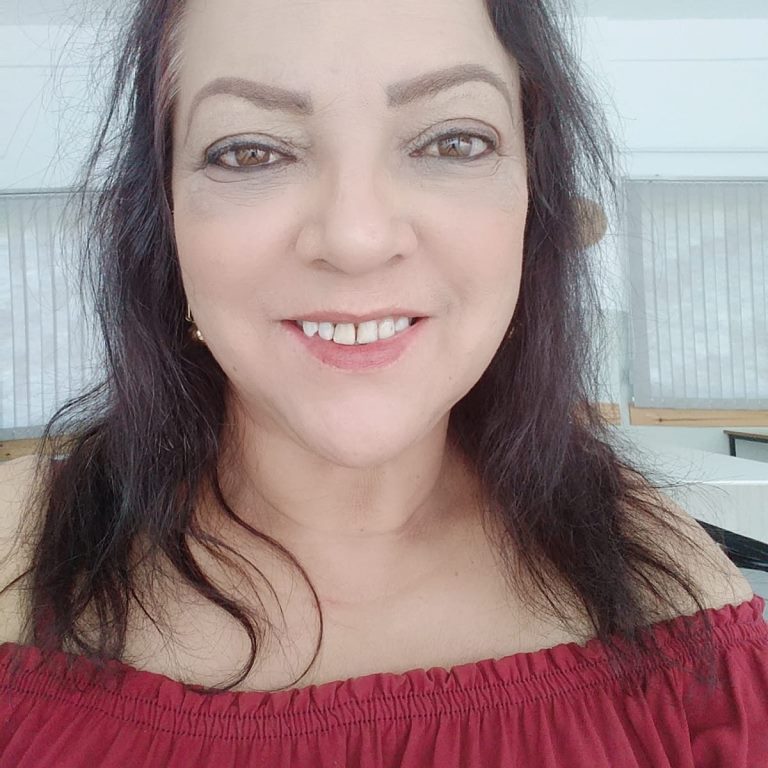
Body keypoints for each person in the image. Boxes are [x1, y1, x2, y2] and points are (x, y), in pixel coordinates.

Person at [0, 0, 766, 765]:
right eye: (250, 152)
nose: (356, 238)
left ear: (534, 203)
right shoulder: (15, 554)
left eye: (454, 141)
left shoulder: (681, 616)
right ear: (164, 215)